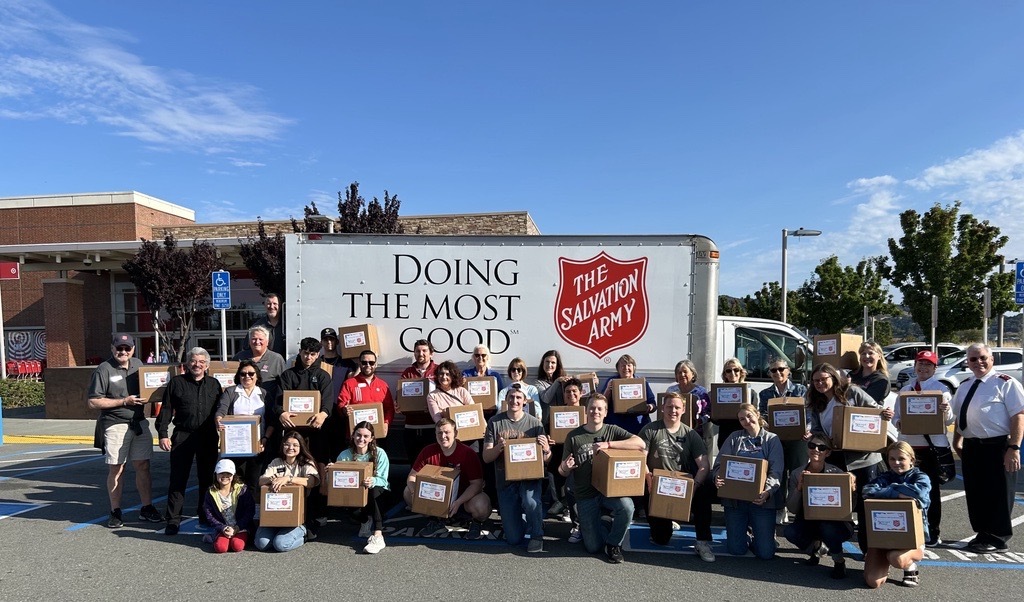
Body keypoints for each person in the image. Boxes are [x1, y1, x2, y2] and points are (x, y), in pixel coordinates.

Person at [805, 362, 892, 551]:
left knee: (866, 506)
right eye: (815, 381)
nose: (819, 384)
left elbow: (875, 410)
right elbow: (818, 430)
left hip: (864, 459)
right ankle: (833, 547)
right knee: (836, 506)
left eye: (823, 379)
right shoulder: (817, 403)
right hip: (836, 459)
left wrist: (885, 414)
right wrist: (817, 437)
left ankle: (869, 550)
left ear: (833, 378)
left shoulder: (852, 392)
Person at [951, 343, 1024, 553]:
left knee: (999, 493)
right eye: (973, 359)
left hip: (998, 446)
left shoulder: (1005, 383)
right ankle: (982, 533)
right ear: (968, 362)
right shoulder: (965, 384)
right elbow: (959, 416)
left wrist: (1014, 447)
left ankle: (998, 538)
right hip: (972, 446)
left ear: (992, 359)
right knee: (976, 492)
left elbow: (1018, 415)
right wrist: (957, 441)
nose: (978, 362)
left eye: (983, 357)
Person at [558, 393, 645, 564]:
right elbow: (562, 471)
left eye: (599, 408)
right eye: (592, 408)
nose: (595, 411)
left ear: (605, 412)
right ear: (586, 410)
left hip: (609, 492)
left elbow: (640, 443)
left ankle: (613, 544)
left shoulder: (612, 430)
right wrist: (565, 468)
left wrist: (609, 444)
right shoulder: (574, 436)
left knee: (627, 507)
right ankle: (603, 523)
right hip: (585, 495)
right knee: (592, 547)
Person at [87, 333, 161, 528]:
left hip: (138, 423)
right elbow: (93, 401)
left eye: (127, 348)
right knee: (117, 468)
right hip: (115, 424)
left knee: (143, 466)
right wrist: (123, 401)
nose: (123, 352)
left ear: (133, 350)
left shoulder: (138, 365)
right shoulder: (104, 369)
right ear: (112, 348)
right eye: (119, 348)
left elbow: (153, 387)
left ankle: (146, 508)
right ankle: (115, 511)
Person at [638, 391, 716, 562]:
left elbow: (704, 465)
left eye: (677, 407)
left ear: (683, 410)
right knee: (661, 539)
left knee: (706, 487)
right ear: (663, 408)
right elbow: (640, 458)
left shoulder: (691, 434)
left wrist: (694, 486)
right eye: (669, 406)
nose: (672, 410)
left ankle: (702, 541)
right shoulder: (650, 430)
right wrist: (649, 479)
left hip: (683, 487)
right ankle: (667, 519)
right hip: (656, 486)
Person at [156, 347, 223, 535]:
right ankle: (173, 519)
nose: (197, 364)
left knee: (207, 479)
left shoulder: (214, 384)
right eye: (194, 361)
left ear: (207, 365)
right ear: (187, 363)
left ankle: (205, 515)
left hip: (207, 436)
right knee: (178, 478)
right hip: (182, 435)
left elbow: (222, 410)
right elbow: (167, 409)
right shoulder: (176, 383)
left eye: (201, 361)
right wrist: (162, 433)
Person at [895, 350, 953, 546]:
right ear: (915, 366)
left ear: (935, 368)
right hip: (910, 448)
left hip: (931, 448)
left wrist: (946, 411)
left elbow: (950, 419)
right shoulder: (905, 390)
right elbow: (897, 417)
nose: (923, 368)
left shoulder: (942, 390)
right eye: (920, 363)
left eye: (928, 364)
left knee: (931, 491)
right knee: (907, 489)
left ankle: (933, 532)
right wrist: (899, 423)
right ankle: (911, 528)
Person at [482, 386, 551, 552]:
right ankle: (529, 521)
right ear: (506, 399)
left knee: (531, 502)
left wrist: (547, 449)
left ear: (525, 401)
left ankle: (537, 534)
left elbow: (546, 460)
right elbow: (486, 457)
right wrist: (498, 447)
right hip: (505, 480)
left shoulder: (535, 424)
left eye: (518, 398)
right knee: (514, 539)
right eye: (511, 397)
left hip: (529, 478)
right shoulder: (494, 422)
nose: (514, 401)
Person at [713, 403, 784, 560]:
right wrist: (717, 477)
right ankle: (744, 532)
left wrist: (767, 492)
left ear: (757, 415)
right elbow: (719, 465)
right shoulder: (734, 438)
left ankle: (764, 535)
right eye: (742, 419)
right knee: (736, 550)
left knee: (765, 554)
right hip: (735, 501)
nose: (746, 421)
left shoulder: (772, 439)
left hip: (761, 500)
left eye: (749, 416)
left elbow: (776, 471)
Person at [405, 418, 492, 539]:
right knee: (408, 492)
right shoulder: (428, 451)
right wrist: (415, 493)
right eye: (439, 433)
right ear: (435, 435)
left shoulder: (468, 453)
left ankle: (476, 523)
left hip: (463, 499)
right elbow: (412, 476)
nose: (443, 436)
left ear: (455, 433)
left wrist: (458, 502)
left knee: (482, 504)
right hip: (436, 498)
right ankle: (435, 520)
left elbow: (476, 484)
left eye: (447, 432)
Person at [782, 435, 854, 579]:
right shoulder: (797, 473)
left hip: (833, 522)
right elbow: (792, 508)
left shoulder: (837, 473)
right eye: (812, 446)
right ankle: (816, 548)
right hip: (809, 519)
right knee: (790, 532)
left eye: (821, 448)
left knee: (827, 526)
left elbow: (849, 506)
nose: (816, 450)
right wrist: (799, 488)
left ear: (827, 453)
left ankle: (839, 561)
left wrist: (851, 486)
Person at [862, 442, 932, 588]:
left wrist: (886, 491)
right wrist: (898, 493)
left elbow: (919, 493)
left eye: (901, 458)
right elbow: (867, 491)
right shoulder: (886, 477)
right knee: (873, 582)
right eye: (892, 459)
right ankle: (880, 562)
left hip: (911, 537)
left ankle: (910, 566)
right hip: (883, 534)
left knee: (896, 558)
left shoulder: (921, 477)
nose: (896, 463)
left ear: (911, 459)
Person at [757, 359, 808, 524]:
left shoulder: (801, 390)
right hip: (776, 439)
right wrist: (767, 423)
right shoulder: (765, 394)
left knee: (797, 473)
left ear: (788, 371)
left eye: (781, 369)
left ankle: (798, 509)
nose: (777, 373)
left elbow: (809, 414)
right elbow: (763, 416)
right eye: (773, 370)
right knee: (778, 473)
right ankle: (780, 508)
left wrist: (807, 429)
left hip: (797, 440)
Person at [215, 359, 274, 498]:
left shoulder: (264, 394)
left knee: (253, 483)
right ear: (238, 376)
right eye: (243, 374)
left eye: (251, 373)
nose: (247, 376)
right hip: (235, 447)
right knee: (235, 483)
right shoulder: (231, 392)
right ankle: (234, 514)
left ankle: (250, 515)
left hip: (257, 446)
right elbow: (221, 411)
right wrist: (218, 420)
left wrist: (265, 439)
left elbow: (272, 420)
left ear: (257, 376)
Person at [254, 431, 320, 552]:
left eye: (295, 445)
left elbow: (311, 482)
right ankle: (277, 531)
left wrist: (288, 479)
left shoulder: (306, 463)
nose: (290, 448)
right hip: (274, 514)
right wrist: (272, 479)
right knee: (261, 544)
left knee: (280, 544)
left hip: (297, 519)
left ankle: (303, 533)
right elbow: (261, 481)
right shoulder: (276, 462)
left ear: (301, 447)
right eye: (287, 444)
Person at [335, 421, 391, 554]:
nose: (361, 439)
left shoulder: (380, 453)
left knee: (375, 489)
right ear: (353, 435)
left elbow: (383, 479)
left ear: (371, 438)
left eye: (366, 436)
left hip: (377, 493)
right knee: (343, 501)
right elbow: (336, 480)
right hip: (354, 493)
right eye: (358, 435)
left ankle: (378, 534)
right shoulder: (345, 455)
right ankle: (365, 520)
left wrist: (372, 480)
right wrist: (331, 472)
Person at [547, 377, 583, 534]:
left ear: (581, 393)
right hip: (561, 449)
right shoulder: (557, 412)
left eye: (574, 391)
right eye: (568, 391)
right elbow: (549, 431)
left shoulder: (587, 412)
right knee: (555, 463)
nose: (571, 394)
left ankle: (570, 508)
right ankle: (564, 504)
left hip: (580, 451)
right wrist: (549, 438)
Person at [201, 459, 256, 554]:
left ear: (233, 475)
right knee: (220, 548)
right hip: (223, 528)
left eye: (228, 474)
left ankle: (236, 539)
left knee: (237, 546)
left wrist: (238, 527)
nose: (225, 476)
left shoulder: (242, 490)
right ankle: (212, 537)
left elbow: (250, 511)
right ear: (216, 474)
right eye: (221, 473)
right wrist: (222, 528)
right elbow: (209, 514)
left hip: (240, 527)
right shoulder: (211, 492)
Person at [400, 339, 440, 463]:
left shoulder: (439, 371)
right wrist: (400, 405)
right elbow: (400, 397)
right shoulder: (407, 373)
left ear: (431, 353)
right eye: (417, 351)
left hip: (432, 426)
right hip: (411, 427)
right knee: (414, 463)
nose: (420, 353)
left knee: (433, 463)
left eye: (424, 351)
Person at [337, 349, 395, 434]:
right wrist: (344, 409)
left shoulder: (383, 385)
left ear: (376, 364)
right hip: (356, 436)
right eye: (364, 362)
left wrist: (386, 423)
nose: (368, 365)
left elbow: (389, 408)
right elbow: (341, 403)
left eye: (371, 363)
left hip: (377, 434)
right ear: (359, 364)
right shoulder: (349, 383)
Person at [600, 354, 656, 434]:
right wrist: (608, 389)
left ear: (634, 368)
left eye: (629, 365)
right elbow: (602, 403)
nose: (626, 368)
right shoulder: (612, 381)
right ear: (618, 369)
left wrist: (649, 407)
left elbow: (653, 404)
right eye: (622, 366)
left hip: (638, 426)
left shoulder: (642, 383)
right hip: (616, 426)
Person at [233, 325, 287, 402]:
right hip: (243, 402)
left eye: (260, 339)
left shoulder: (276, 359)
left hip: (268, 403)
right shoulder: (240, 357)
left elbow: (283, 384)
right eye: (254, 339)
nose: (257, 342)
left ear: (267, 342)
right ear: (249, 341)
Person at [711, 358, 754, 454]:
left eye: (736, 370)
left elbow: (754, 416)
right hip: (725, 435)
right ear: (725, 374)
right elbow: (714, 418)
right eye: (728, 371)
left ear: (741, 372)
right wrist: (717, 415)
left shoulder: (751, 393)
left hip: (745, 434)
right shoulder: (718, 393)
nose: (732, 373)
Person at [665, 359, 711, 441]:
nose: (682, 374)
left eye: (685, 372)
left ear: (692, 374)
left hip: (695, 433)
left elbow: (708, 413)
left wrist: (698, 421)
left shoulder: (701, 392)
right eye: (679, 372)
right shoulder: (671, 390)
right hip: (673, 432)